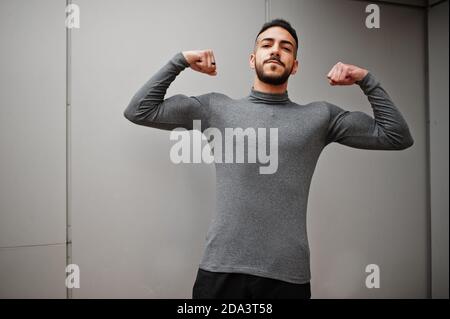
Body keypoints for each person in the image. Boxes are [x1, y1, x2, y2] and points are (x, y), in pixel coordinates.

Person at [124, 18, 414, 299]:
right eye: (267, 44)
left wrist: (366, 80)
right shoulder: (215, 108)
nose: (276, 50)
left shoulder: (319, 116)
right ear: (253, 59)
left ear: (295, 65)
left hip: (287, 276)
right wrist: (181, 60)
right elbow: (139, 110)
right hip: (220, 271)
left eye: (286, 48)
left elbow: (397, 136)